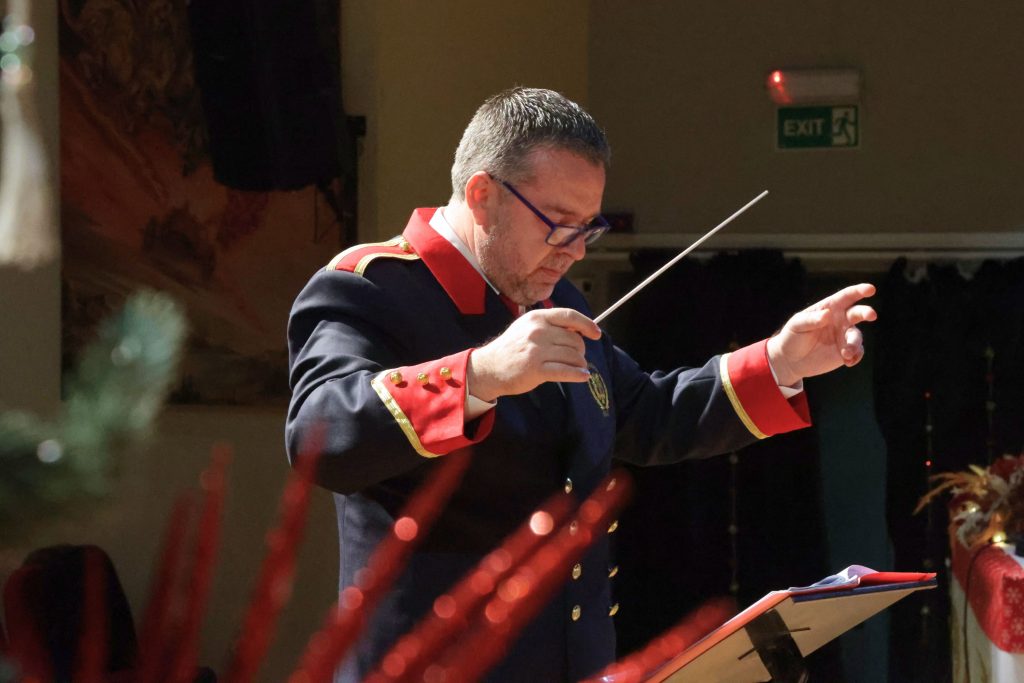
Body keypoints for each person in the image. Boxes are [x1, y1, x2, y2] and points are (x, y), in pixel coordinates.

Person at [285, 86, 876, 682]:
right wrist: (480, 375)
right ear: (483, 196)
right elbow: (319, 434)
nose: (572, 252)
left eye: (587, 229)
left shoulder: (552, 293)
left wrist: (780, 363)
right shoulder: (372, 287)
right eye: (557, 224)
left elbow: (642, 413)